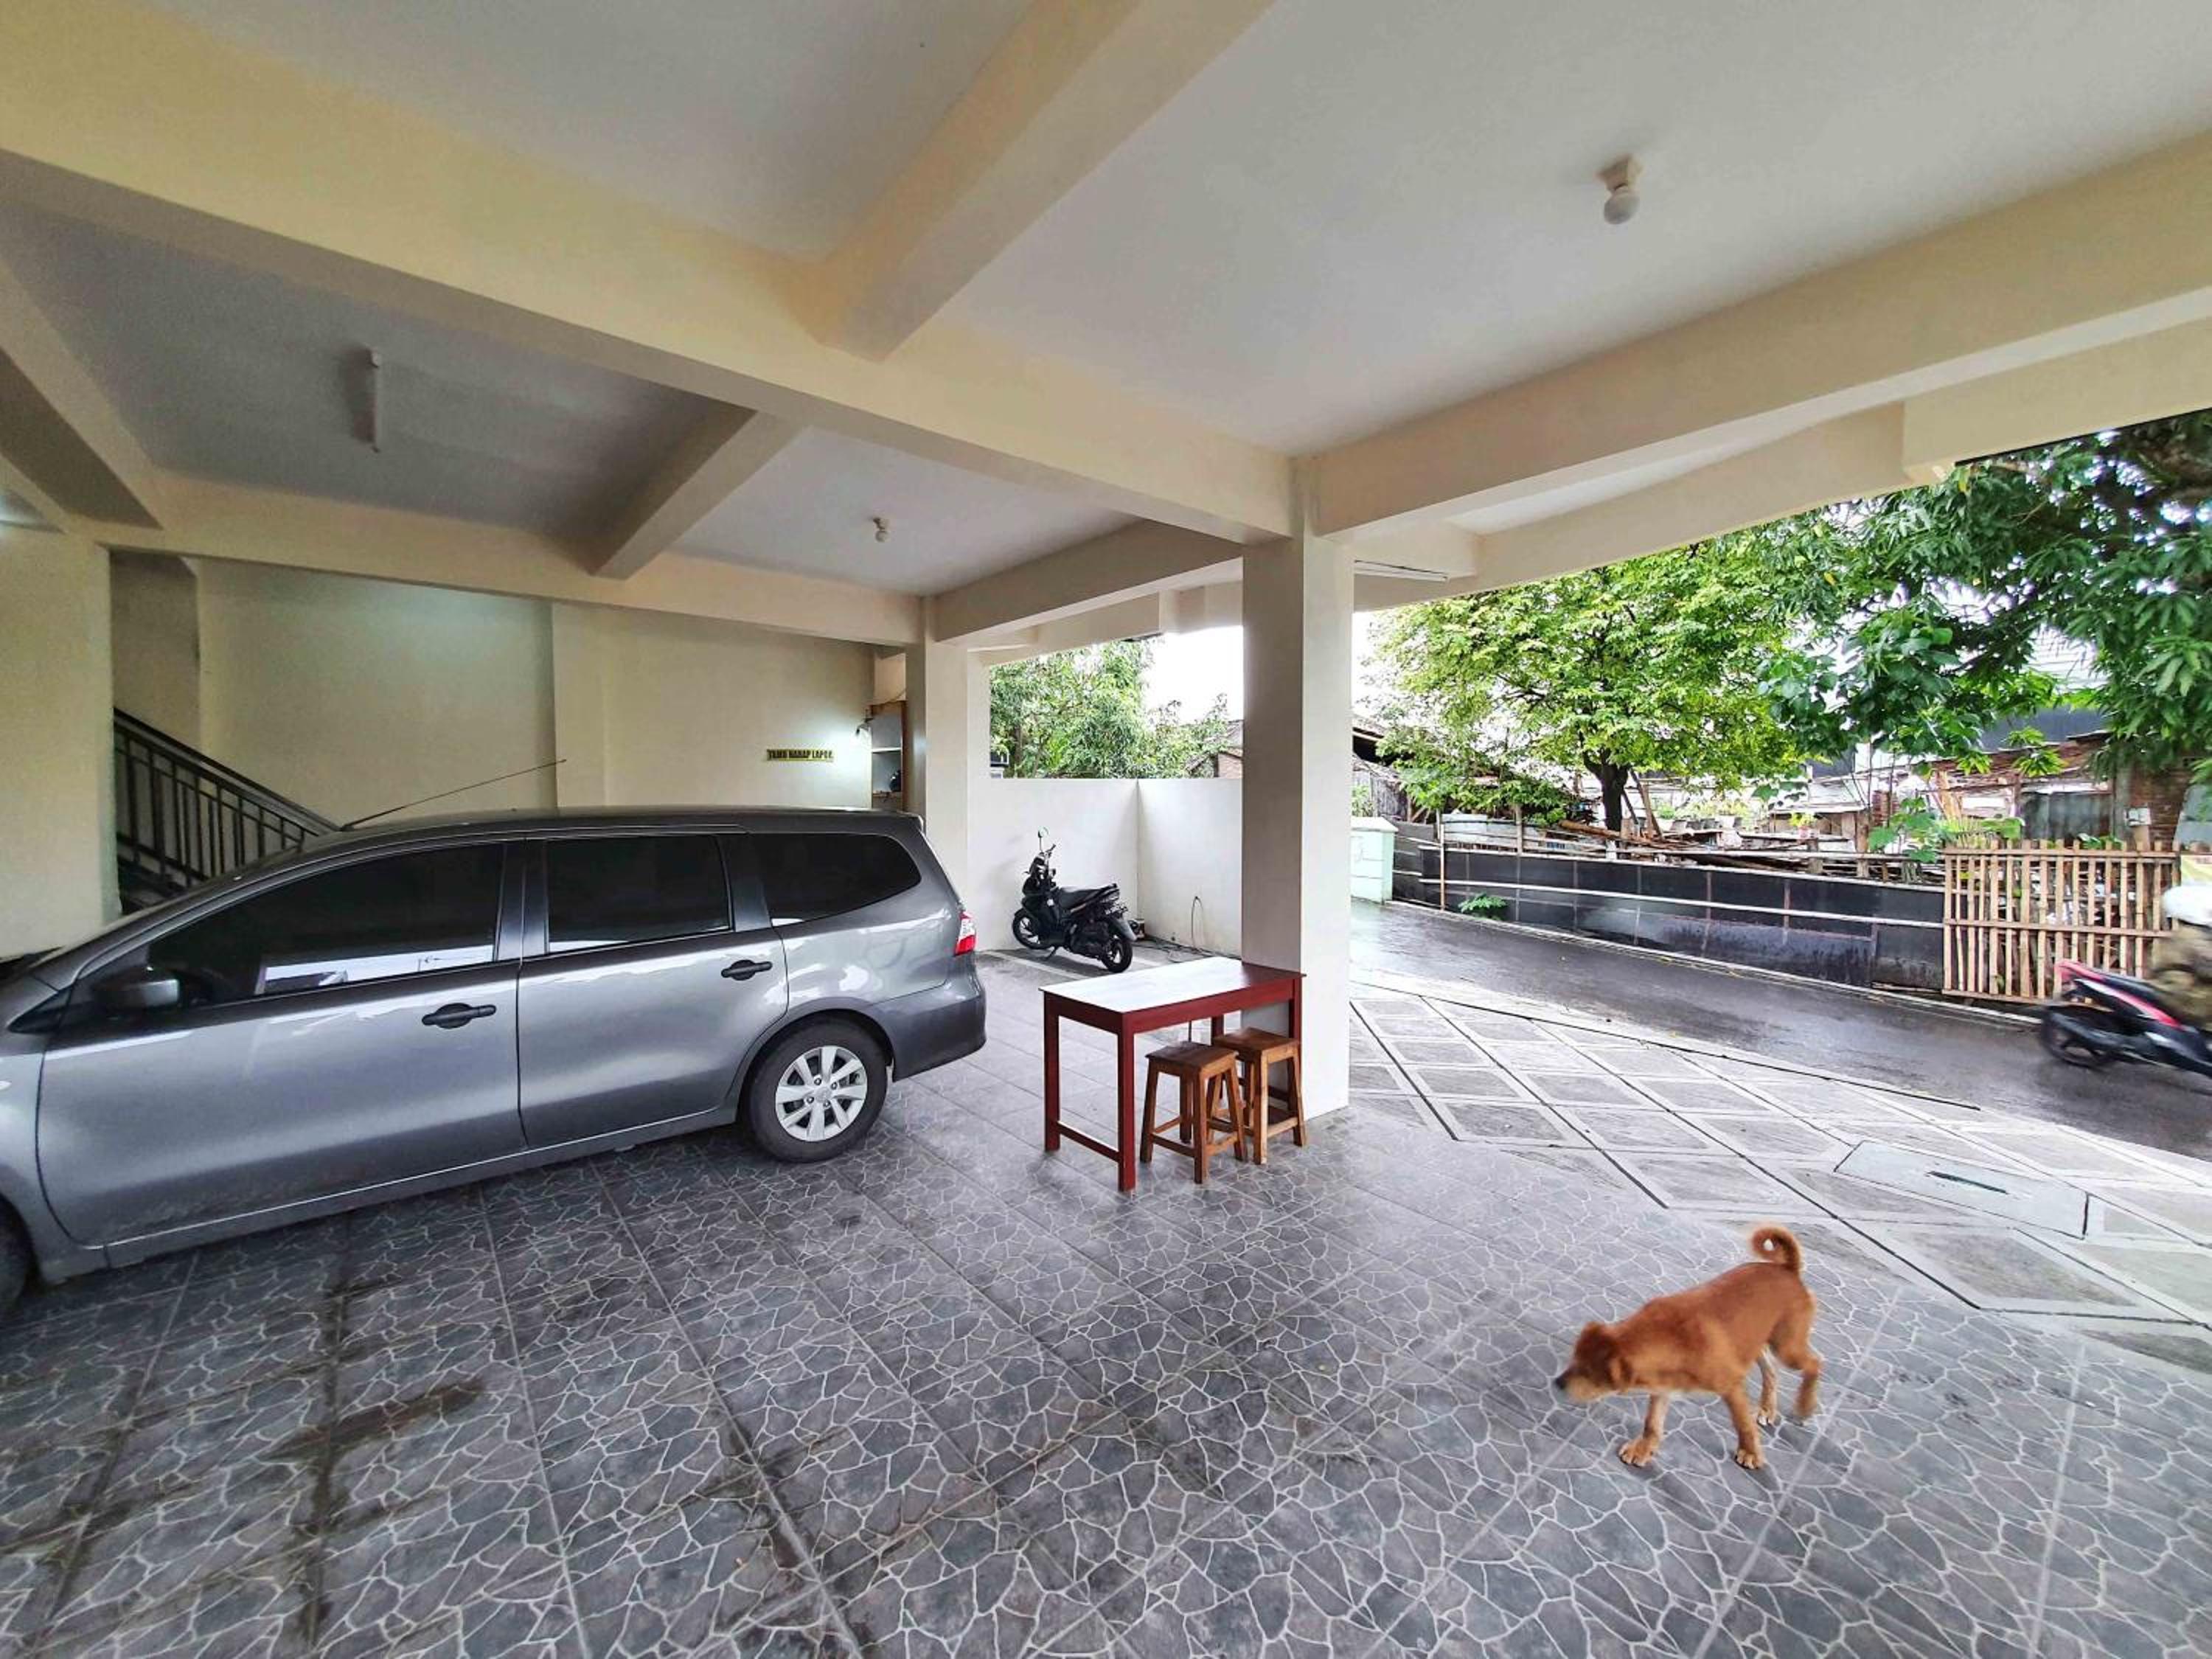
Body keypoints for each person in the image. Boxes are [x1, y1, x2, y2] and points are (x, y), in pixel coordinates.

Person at [2148, 885, 2212, 1031]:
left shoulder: (2192, 933)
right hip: (2184, 998)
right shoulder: (2193, 936)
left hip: (2180, 993)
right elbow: (2207, 968)